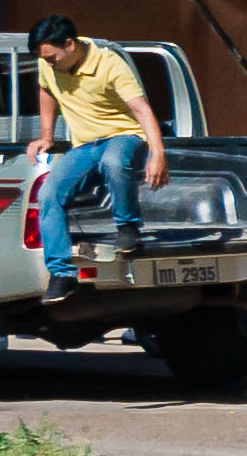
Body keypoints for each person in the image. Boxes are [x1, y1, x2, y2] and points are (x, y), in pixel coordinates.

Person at [24, 23, 162, 285]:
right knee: (49, 193)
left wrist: (158, 154)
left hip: (124, 136)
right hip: (85, 146)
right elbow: (45, 90)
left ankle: (128, 227)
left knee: (113, 162)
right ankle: (61, 273)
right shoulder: (48, 65)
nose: (49, 64)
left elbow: (141, 109)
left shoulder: (109, 64)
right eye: (44, 60)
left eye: (52, 58)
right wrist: (46, 136)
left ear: (70, 45)